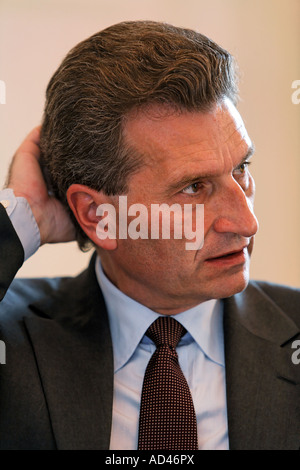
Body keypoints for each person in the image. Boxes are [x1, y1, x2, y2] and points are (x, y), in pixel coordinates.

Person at [0, 20, 299, 451]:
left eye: (241, 171)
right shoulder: (14, 343)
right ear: (98, 214)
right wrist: (21, 217)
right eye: (194, 187)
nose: (246, 223)